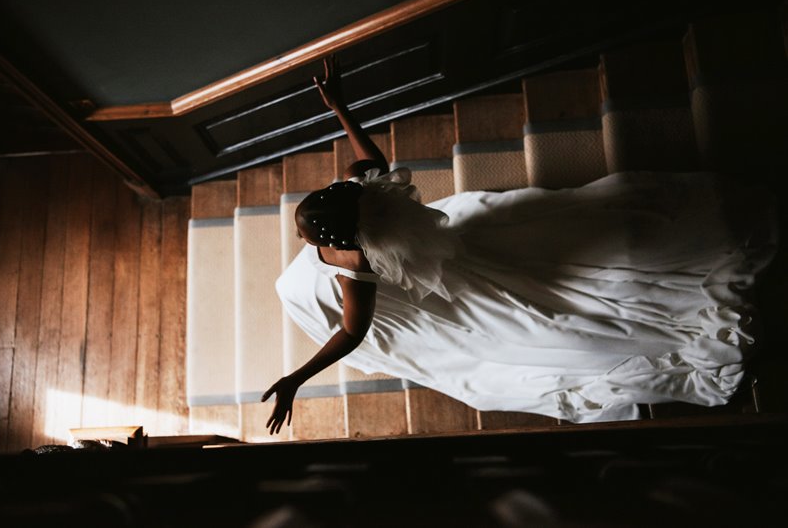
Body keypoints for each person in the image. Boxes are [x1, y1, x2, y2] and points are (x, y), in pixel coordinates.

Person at [261, 55, 779, 435]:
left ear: (339, 241)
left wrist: (295, 377)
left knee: (543, 319)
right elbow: (370, 157)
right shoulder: (358, 191)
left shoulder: (355, 267)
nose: (298, 236)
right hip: (462, 243)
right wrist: (341, 108)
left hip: (463, 285)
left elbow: (352, 333)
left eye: (304, 233)